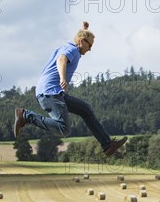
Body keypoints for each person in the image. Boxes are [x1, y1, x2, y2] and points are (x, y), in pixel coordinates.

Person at [14, 21, 127, 156]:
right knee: (63, 129)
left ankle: (107, 145)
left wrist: (84, 29)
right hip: (50, 92)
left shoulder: (72, 46)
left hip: (54, 92)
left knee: (85, 109)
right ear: (81, 41)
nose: (90, 49)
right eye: (90, 45)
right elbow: (61, 60)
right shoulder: (72, 49)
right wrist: (62, 78)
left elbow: (79, 38)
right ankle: (26, 116)